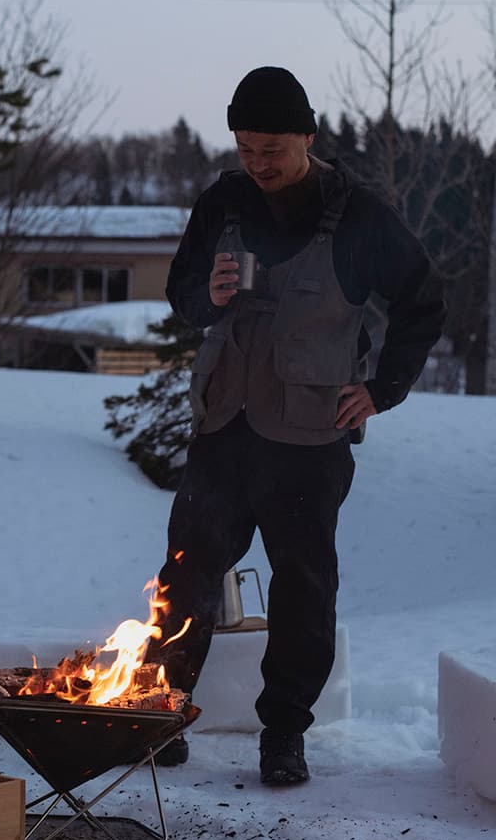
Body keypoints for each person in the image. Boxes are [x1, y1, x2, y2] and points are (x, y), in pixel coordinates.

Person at [145, 67, 445, 783]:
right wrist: (204, 295)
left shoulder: (358, 213)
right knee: (186, 578)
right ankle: (160, 711)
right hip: (223, 429)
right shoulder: (223, 200)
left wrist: (381, 389)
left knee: (303, 588)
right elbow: (181, 295)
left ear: (308, 137)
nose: (258, 162)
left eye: (272, 147)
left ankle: (284, 734)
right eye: (247, 147)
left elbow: (423, 300)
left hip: (310, 441)